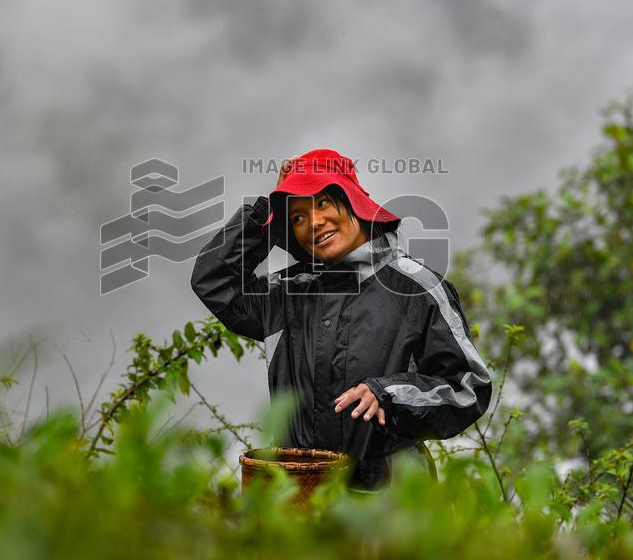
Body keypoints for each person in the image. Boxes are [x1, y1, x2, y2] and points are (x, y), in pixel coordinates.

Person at [189, 148, 492, 491]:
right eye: (297, 217)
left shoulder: (416, 287)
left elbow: (469, 387)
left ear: (353, 202)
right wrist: (266, 214)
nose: (314, 223)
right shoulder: (289, 293)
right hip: (299, 498)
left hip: (392, 501)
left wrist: (389, 394)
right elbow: (215, 281)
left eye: (323, 203)